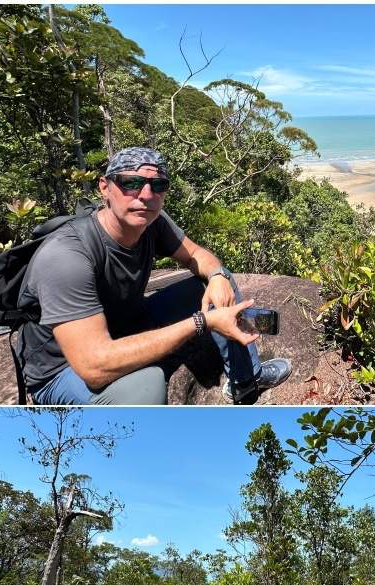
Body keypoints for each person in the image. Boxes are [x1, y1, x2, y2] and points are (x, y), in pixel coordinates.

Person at [16, 146, 292, 405]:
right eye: (131, 183)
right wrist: (202, 322)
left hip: (124, 323)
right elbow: (93, 366)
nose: (146, 194)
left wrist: (218, 275)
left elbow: (197, 255)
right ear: (104, 187)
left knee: (219, 280)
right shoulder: (66, 256)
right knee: (146, 387)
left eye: (157, 185)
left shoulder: (151, 221)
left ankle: (246, 381)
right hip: (63, 367)